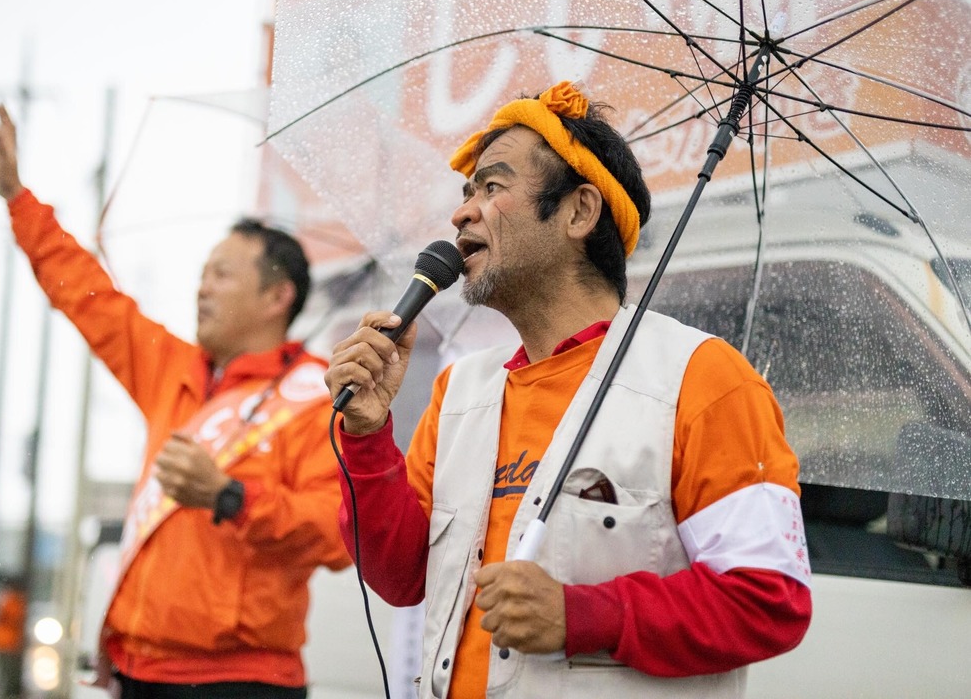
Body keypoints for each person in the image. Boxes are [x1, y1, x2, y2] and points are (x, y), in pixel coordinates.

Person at [324, 81, 812, 698]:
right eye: (467, 191)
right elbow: (401, 578)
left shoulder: (703, 378)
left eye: (492, 186)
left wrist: (582, 615)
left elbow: (770, 599)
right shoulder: (461, 391)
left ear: (580, 212)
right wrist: (367, 437)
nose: (462, 212)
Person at [0, 105, 351, 699]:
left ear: (277, 296)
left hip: (243, 680)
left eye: (222, 275)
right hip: (135, 669)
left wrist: (230, 497)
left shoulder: (318, 396)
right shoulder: (172, 368)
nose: (201, 287)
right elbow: (89, 297)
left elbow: (340, 535)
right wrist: (17, 200)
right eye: (203, 273)